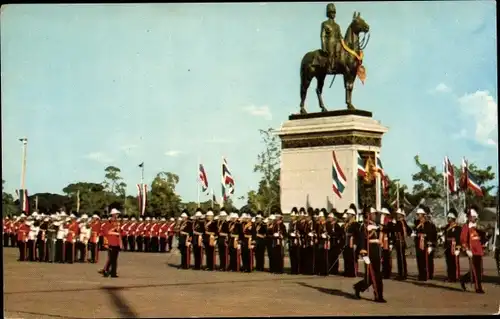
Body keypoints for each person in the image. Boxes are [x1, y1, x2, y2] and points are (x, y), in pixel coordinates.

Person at [353, 207, 386, 303]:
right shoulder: (363, 226)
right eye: (373, 214)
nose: (375, 215)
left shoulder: (376, 224)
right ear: (368, 214)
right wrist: (363, 253)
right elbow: (361, 240)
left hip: (376, 250)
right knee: (370, 276)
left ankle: (379, 295)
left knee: (378, 275)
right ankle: (358, 287)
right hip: (369, 251)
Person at [459, 208, 486, 293]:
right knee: (475, 270)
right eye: (472, 217)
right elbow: (463, 239)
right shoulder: (465, 226)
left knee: (480, 270)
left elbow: (484, 235)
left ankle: (463, 279)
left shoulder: (478, 225)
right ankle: (478, 288)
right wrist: (466, 250)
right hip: (471, 251)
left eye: (474, 217)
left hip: (479, 250)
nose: (474, 218)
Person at [321, 3, 343, 73]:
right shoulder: (325, 24)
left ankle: (340, 65)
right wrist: (324, 46)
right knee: (331, 53)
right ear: (328, 13)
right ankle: (330, 67)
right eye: (331, 12)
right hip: (329, 42)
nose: (333, 14)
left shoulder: (337, 26)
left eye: (334, 12)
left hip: (337, 42)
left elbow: (340, 36)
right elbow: (322, 36)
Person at [101, 209, 122, 278]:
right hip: (111, 242)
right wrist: (115, 232)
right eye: (116, 214)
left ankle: (112, 272)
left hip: (116, 242)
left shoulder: (117, 223)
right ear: (113, 215)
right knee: (111, 259)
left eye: (117, 214)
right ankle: (108, 271)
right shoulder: (108, 223)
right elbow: (106, 232)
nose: (117, 215)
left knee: (114, 259)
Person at [443, 208, 462, 282]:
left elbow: (459, 239)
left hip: (454, 246)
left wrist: (458, 248)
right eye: (448, 218)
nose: (448, 219)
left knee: (455, 262)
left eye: (450, 218)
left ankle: (456, 277)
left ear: (453, 218)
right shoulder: (447, 227)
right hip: (448, 247)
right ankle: (450, 276)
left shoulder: (458, 228)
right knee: (449, 262)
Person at [393, 208, 411, 280]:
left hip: (400, 241)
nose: (397, 215)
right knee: (400, 258)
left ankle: (402, 274)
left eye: (398, 214)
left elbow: (409, 230)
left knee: (401, 258)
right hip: (399, 241)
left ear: (401, 215)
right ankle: (402, 273)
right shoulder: (402, 222)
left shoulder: (400, 222)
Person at [343, 208, 359, 277]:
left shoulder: (355, 224)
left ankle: (352, 272)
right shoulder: (347, 224)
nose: (347, 216)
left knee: (352, 258)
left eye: (348, 214)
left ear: (352, 215)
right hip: (347, 241)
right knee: (346, 257)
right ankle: (347, 271)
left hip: (352, 242)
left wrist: (355, 243)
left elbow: (357, 234)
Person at [288, 208, 301, 275]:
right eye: (291, 216)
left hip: (297, 241)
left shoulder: (298, 223)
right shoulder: (290, 223)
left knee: (297, 256)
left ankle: (296, 270)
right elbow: (288, 231)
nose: (292, 217)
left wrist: (296, 234)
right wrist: (290, 234)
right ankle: (293, 270)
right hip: (291, 241)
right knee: (292, 256)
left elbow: (301, 231)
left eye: (293, 216)